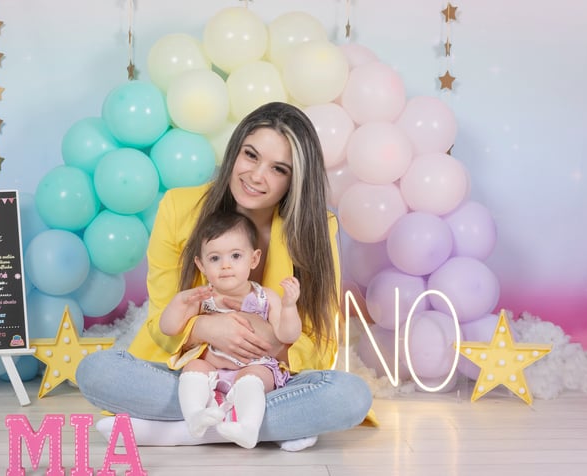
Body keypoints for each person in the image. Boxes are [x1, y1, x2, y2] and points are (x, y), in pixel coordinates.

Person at [76, 101, 373, 451]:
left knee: (351, 396)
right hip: (191, 372)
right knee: (96, 371)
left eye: (278, 169)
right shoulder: (178, 207)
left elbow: (320, 340)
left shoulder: (316, 227)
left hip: (268, 380)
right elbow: (161, 316)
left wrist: (275, 343)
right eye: (250, 155)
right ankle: (254, 424)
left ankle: (181, 429)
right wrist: (203, 328)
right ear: (235, 150)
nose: (256, 176)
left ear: (295, 180)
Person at [159, 210, 302, 449]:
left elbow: (287, 336)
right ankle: (195, 416)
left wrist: (288, 307)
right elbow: (169, 328)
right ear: (201, 265)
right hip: (213, 369)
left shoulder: (265, 296)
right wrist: (180, 302)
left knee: (254, 376)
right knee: (193, 367)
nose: (225, 266)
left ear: (253, 259)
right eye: (215, 258)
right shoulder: (202, 297)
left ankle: (248, 427)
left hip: (254, 366)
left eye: (236, 256)